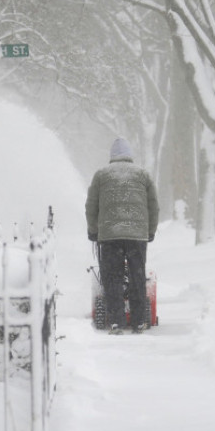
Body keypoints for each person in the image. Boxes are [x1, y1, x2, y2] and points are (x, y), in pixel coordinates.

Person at [86, 137, 159, 334]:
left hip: (109, 236)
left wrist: (93, 230)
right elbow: (153, 206)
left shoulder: (101, 175)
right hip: (136, 236)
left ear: (112, 157)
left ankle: (117, 322)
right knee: (136, 276)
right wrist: (150, 231)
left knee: (112, 278)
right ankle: (138, 322)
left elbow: (91, 206)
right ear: (129, 156)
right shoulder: (143, 175)